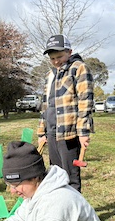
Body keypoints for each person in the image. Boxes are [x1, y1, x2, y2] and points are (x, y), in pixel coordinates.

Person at [37, 34, 95, 193]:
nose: (56, 61)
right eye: (53, 58)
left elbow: (85, 100)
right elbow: (45, 105)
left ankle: (76, 213)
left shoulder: (78, 68)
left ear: (69, 52)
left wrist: (83, 131)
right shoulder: (50, 75)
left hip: (68, 132)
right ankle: (61, 209)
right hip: (52, 131)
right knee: (56, 175)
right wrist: (42, 131)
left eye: (60, 56)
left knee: (71, 176)